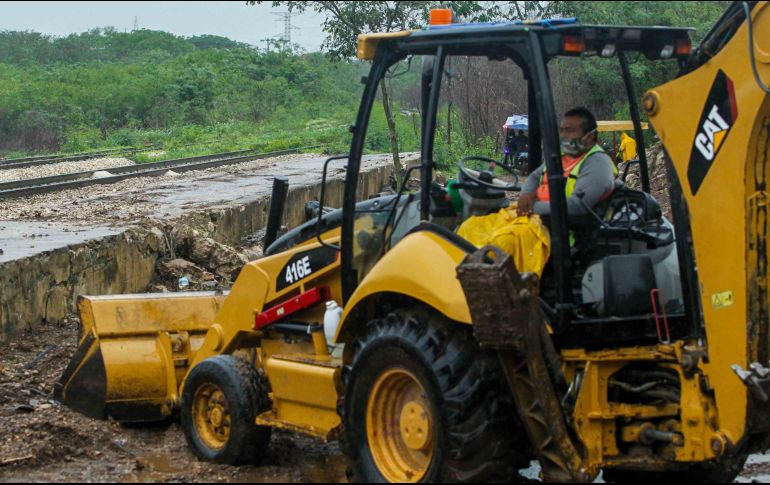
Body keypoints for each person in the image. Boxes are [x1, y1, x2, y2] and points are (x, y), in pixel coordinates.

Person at [517, 107, 616, 217]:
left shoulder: (597, 164)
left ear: (590, 137)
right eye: (562, 130)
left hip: (563, 228)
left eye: (569, 130)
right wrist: (526, 193)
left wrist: (531, 207)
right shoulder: (562, 156)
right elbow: (535, 177)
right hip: (539, 218)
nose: (563, 135)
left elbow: (577, 207)